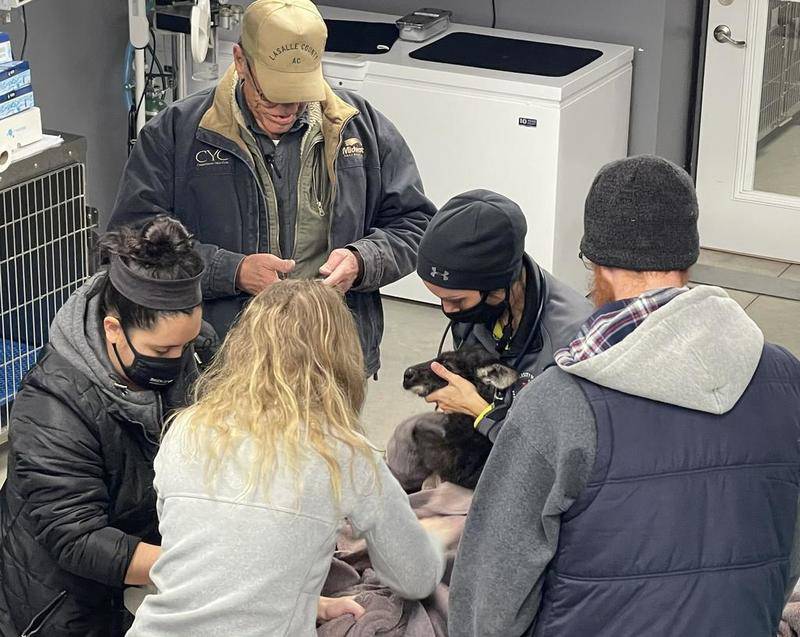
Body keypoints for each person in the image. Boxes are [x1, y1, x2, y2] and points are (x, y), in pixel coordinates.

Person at [448, 156, 800, 636]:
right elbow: (785, 549)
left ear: (598, 268)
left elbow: (487, 603)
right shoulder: (786, 377)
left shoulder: (560, 403)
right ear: (688, 259)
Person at [109, 0, 436, 376]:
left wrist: (363, 261)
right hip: (225, 360)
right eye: (272, 93)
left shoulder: (359, 128)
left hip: (330, 356)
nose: (286, 110)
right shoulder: (176, 134)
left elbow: (415, 225)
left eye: (298, 95)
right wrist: (231, 271)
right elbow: (130, 242)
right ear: (240, 61)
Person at [126, 280, 445, 636]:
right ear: (341, 358)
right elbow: (416, 579)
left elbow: (205, 562)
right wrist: (431, 537)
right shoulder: (343, 452)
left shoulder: (185, 428)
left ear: (241, 346)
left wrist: (310, 602)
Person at [0, 217, 204, 636]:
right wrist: (203, 570)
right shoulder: (52, 407)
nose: (177, 357)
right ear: (113, 329)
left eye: (187, 343)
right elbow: (76, 539)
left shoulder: (186, 358)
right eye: (162, 349)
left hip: (141, 577)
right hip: (61, 604)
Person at [387, 190, 591, 487]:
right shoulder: (481, 309)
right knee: (408, 436)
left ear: (498, 286)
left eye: (456, 301)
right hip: (484, 443)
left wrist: (481, 412)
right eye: (439, 299)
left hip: (534, 472)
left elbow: (562, 457)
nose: (448, 311)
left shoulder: (571, 340)